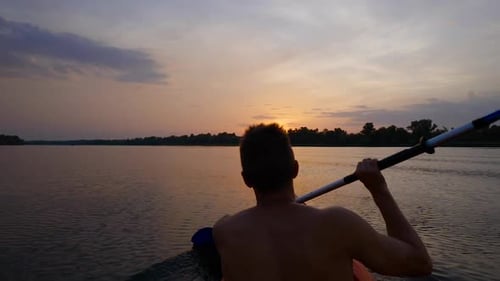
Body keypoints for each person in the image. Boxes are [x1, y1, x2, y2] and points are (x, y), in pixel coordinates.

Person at [213, 123, 432, 281]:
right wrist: (379, 189)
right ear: (296, 169)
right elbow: (420, 263)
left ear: (246, 179)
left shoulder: (224, 230)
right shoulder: (337, 224)